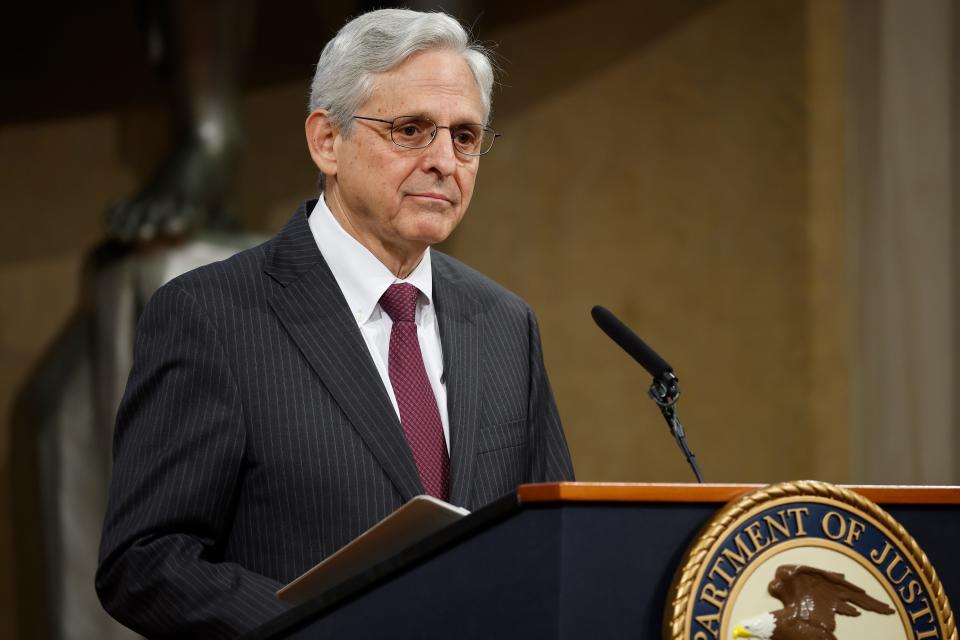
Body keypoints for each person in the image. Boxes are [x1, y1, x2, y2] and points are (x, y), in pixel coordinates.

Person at [96, 8, 574, 638]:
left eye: (464, 136)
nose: (444, 161)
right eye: (411, 130)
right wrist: (329, 624)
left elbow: (556, 540)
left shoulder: (506, 322)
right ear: (326, 140)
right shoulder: (211, 314)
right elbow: (144, 560)